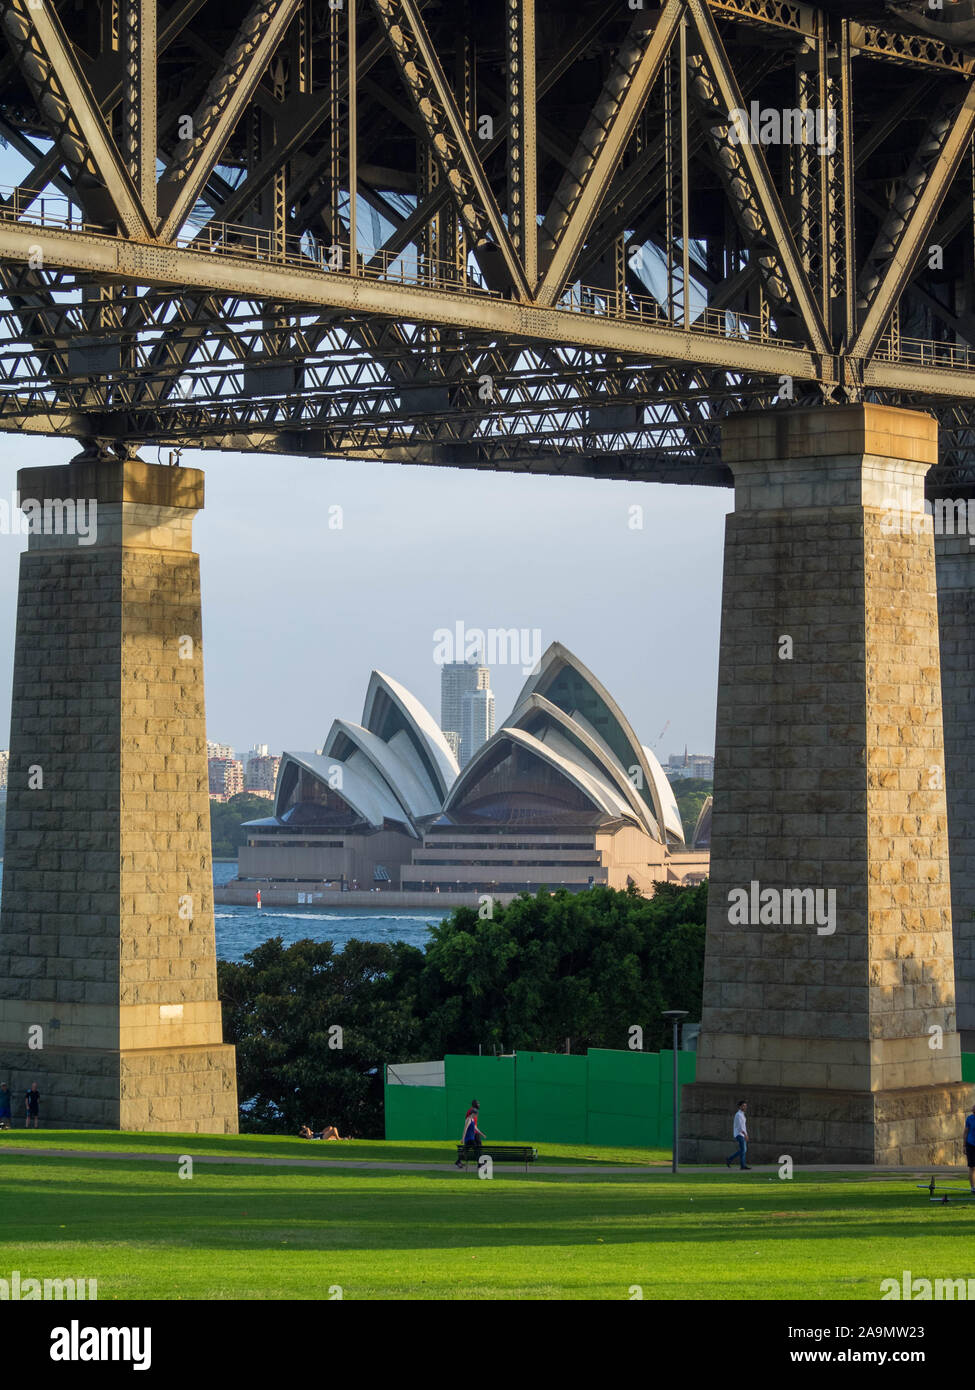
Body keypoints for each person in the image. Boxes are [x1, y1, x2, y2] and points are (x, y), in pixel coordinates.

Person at [454, 1099, 484, 1168]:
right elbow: (467, 1124)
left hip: (474, 1133)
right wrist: (464, 1137)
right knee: (477, 1148)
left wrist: (481, 1133)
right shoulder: (470, 1112)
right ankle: (480, 1163)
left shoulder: (474, 1112)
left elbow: (474, 1125)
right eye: (478, 1103)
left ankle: (458, 1161)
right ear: (474, 1104)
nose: (479, 1104)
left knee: (468, 1149)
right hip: (472, 1134)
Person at [725, 1099, 750, 1170]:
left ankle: (741, 1164)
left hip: (742, 1134)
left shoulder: (742, 1114)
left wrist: (746, 1134)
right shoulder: (738, 1115)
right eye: (743, 1106)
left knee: (743, 1150)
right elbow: (740, 1127)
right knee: (743, 1150)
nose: (745, 1107)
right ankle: (734, 1161)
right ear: (739, 1107)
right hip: (739, 1134)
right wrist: (745, 1134)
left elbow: (744, 1126)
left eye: (745, 1106)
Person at [964, 1104, 975, 1192]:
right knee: (972, 1167)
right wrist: (964, 1145)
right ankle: (972, 1187)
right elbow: (965, 1133)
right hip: (970, 1145)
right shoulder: (969, 1119)